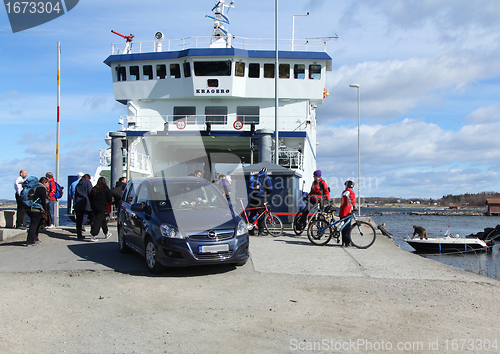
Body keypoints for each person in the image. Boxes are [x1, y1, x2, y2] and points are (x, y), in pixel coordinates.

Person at [247, 167, 273, 235]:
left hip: (253, 197)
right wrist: (268, 193)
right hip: (261, 197)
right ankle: (261, 231)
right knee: (261, 213)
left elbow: (248, 187)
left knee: (252, 213)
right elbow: (270, 188)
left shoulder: (253, 176)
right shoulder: (266, 177)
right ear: (265, 172)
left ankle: (251, 231)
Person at [25, 177, 49, 246]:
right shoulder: (41, 189)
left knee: (34, 223)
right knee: (34, 224)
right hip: (36, 208)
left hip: (28, 206)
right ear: (44, 182)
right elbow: (43, 200)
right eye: (47, 183)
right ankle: (30, 240)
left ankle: (34, 238)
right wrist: (45, 209)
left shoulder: (34, 187)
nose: (48, 185)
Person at [89, 177, 113, 241]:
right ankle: (93, 234)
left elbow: (90, 197)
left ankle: (106, 232)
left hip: (94, 206)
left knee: (102, 220)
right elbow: (109, 198)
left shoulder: (94, 189)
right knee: (98, 221)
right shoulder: (106, 189)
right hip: (102, 206)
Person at [74, 174, 94, 240]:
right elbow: (90, 193)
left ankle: (79, 234)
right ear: (88, 178)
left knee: (79, 221)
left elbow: (75, 194)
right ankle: (93, 233)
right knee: (92, 218)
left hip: (78, 204)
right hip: (87, 203)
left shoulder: (78, 184)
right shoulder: (88, 183)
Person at [340, 180, 357, 247]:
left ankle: (343, 241)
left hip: (342, 211)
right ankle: (347, 242)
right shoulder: (351, 193)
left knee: (343, 228)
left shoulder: (344, 192)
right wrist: (354, 207)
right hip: (348, 212)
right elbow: (352, 202)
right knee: (347, 227)